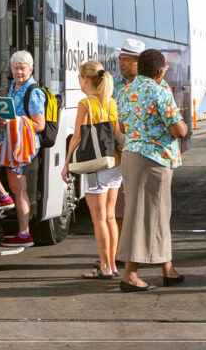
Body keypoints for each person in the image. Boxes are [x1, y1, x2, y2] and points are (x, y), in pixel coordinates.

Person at [115, 49, 188, 292]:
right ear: (160, 70)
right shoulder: (160, 92)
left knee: (155, 215)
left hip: (131, 155)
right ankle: (130, 275)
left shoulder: (125, 91)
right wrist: (184, 125)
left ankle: (168, 269)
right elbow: (178, 130)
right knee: (144, 216)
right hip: (154, 160)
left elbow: (123, 127)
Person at [63, 61, 121, 279]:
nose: (79, 81)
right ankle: (113, 264)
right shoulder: (111, 102)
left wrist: (67, 163)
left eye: (79, 78)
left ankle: (105, 267)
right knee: (110, 217)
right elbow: (117, 133)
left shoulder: (86, 103)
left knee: (98, 219)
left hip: (96, 165)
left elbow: (77, 137)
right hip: (115, 163)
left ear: (86, 79)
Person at [0, 50, 46, 247]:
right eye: (15, 68)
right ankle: (4, 198)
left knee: (18, 189)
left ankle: (24, 234)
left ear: (31, 69)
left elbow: (39, 124)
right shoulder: (13, 86)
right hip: (9, 142)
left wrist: (11, 123)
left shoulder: (33, 92)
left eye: (23, 68)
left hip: (21, 146)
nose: (19, 72)